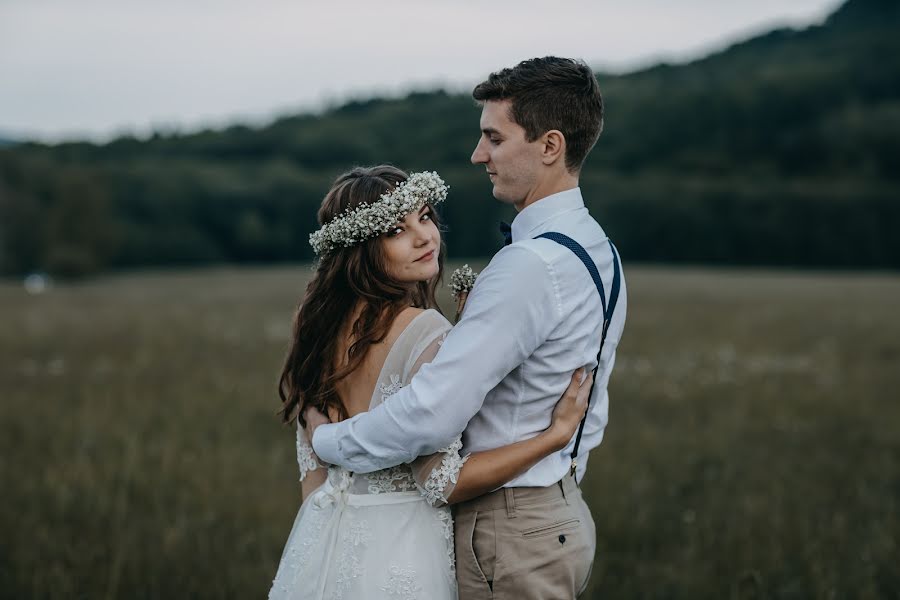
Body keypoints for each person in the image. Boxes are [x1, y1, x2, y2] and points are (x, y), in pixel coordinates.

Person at [308, 57, 627, 599]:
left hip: (510, 525)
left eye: (493, 138)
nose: (478, 154)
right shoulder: (600, 248)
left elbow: (430, 416)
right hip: (554, 508)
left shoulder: (530, 266)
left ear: (549, 146)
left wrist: (327, 440)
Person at [268, 166, 593, 600]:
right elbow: (441, 482)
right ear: (360, 248)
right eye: (397, 230)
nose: (424, 237)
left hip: (319, 547)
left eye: (425, 217)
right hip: (401, 554)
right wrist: (554, 436)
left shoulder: (313, 329)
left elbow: (314, 482)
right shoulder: (423, 330)